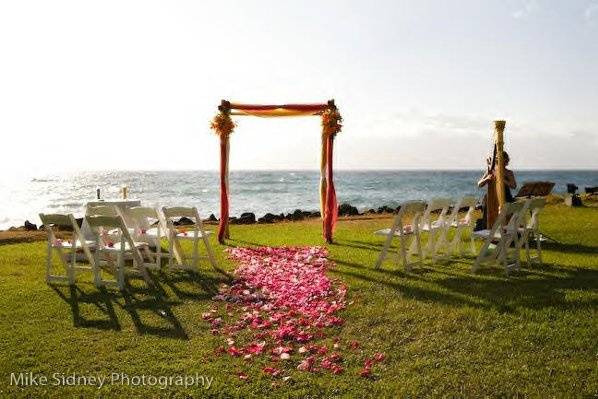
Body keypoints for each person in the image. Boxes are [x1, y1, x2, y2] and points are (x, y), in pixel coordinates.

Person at [475, 151, 517, 230]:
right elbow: (479, 184)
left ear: (506, 161)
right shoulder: (491, 171)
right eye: (498, 161)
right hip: (491, 197)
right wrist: (487, 179)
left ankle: (505, 229)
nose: (502, 163)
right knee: (486, 204)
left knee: (507, 210)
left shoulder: (509, 172)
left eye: (505, 161)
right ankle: (488, 229)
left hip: (505, 196)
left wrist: (502, 179)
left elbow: (514, 186)